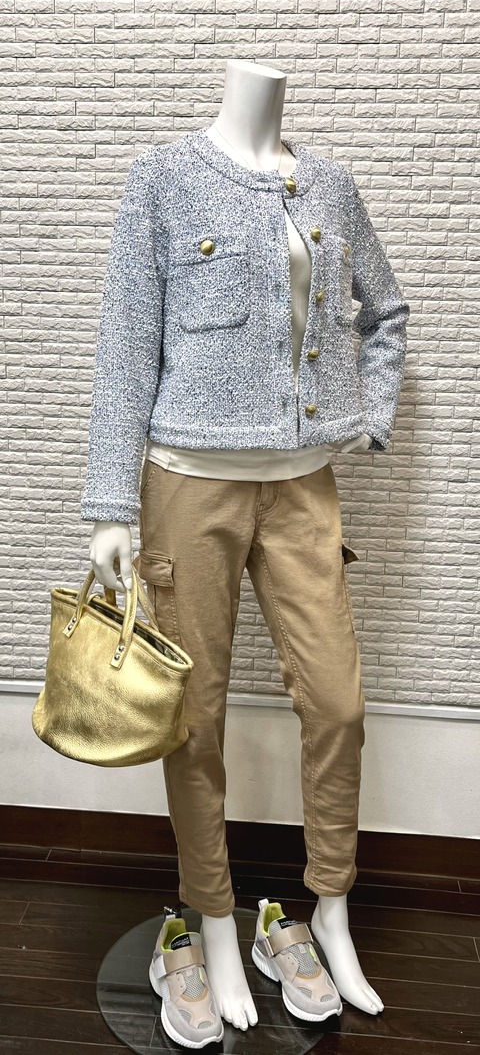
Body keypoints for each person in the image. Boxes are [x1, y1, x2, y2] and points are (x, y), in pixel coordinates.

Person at [81, 58, 410, 1041]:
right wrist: (110, 506)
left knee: (338, 702)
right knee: (196, 718)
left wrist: (370, 416)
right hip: (189, 483)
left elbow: (385, 310)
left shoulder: (332, 186)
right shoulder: (163, 180)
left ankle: (330, 909)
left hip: (305, 486)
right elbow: (126, 344)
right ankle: (215, 920)